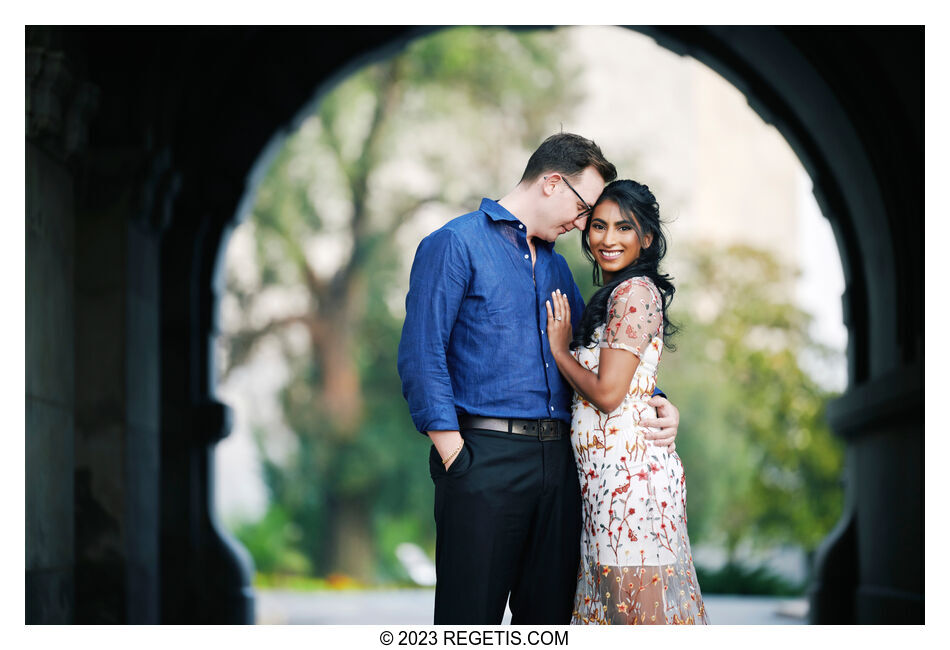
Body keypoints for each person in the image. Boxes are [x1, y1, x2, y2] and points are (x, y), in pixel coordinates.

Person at [397, 134, 681, 624]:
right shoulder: (455, 243)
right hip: (482, 461)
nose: (582, 224)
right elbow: (422, 354)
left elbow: (591, 355)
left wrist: (656, 399)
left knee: (548, 623)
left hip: (561, 467)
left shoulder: (556, 266)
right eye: (583, 208)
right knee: (470, 623)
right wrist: (453, 453)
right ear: (552, 183)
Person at [545, 179, 708, 625]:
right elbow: (635, 383)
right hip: (608, 486)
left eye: (623, 228)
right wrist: (660, 399)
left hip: (631, 489)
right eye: (598, 226)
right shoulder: (616, 294)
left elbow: (609, 393)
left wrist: (560, 351)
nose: (608, 239)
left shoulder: (633, 293)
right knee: (621, 618)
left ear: (647, 237)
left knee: (639, 623)